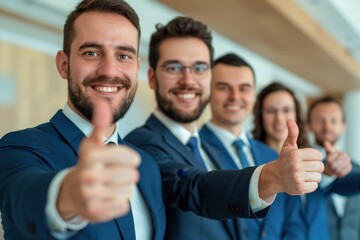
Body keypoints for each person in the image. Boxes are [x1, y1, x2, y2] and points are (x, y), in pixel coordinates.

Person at [125, 17, 323, 240]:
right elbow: (194, 187)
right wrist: (271, 177)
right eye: (174, 67)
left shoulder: (202, 148)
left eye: (199, 68)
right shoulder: (141, 144)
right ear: (152, 78)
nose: (187, 80)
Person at [0, 0, 165, 239]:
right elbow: (24, 195)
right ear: (64, 65)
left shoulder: (146, 165)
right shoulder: (17, 148)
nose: (109, 70)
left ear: (137, 67)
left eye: (124, 55)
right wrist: (66, 196)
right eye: (92, 53)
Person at [199, 53, 305, 239]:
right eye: (223, 87)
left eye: (244, 88)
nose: (235, 97)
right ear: (208, 91)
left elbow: (293, 222)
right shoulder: (193, 149)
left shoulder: (272, 155)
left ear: (254, 95)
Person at [252, 82, 360, 240]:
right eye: (271, 111)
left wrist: (330, 171)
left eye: (287, 110)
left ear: (297, 114)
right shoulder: (253, 161)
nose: (279, 118)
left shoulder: (311, 158)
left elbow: (344, 183)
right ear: (260, 115)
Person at [307, 96, 360, 240]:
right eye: (320, 120)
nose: (327, 127)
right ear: (309, 125)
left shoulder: (356, 170)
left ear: (343, 126)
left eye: (334, 121)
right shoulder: (303, 165)